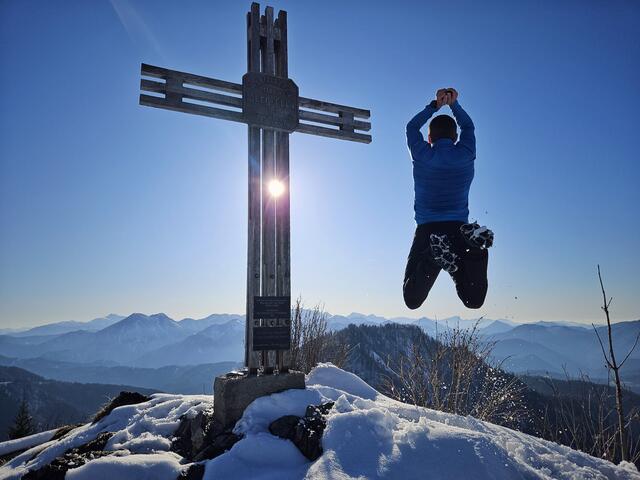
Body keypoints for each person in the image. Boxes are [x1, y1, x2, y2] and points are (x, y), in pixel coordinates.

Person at [403, 88, 493, 310]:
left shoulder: (422, 154)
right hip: (458, 228)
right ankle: (476, 249)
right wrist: (454, 105)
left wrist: (435, 105)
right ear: (455, 138)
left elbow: (411, 127)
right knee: (473, 301)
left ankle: (434, 256)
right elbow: (468, 126)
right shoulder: (465, 152)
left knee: (412, 299)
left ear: (430, 138)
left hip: (427, 230)